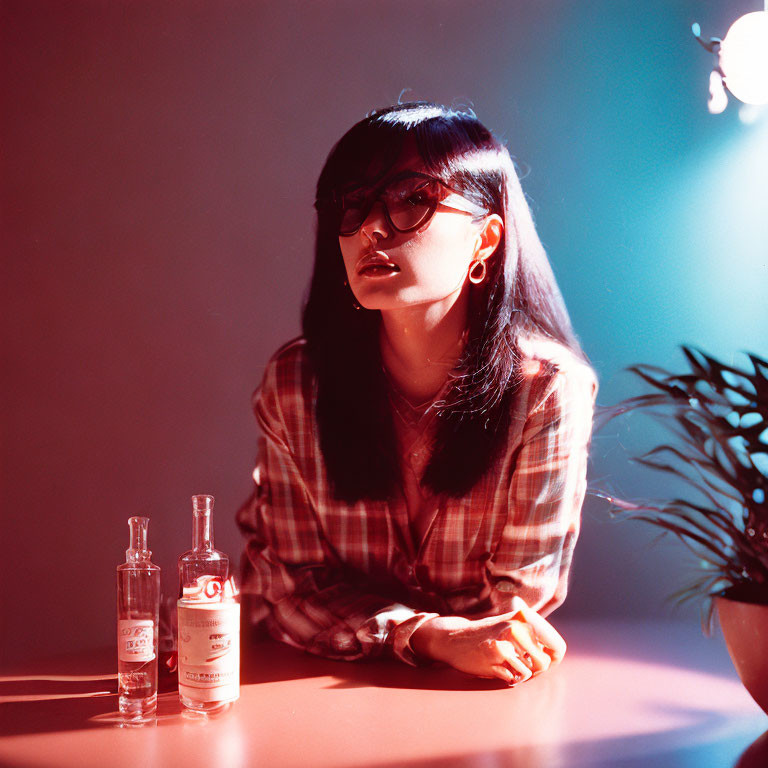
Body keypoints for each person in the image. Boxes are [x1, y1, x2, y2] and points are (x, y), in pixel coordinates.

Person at [236, 100, 599, 686]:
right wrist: (427, 635)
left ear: (486, 240)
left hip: (472, 707)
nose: (371, 228)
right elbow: (289, 590)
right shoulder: (297, 386)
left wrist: (388, 629)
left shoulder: (547, 392)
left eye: (412, 201)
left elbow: (513, 613)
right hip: (303, 695)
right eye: (351, 205)